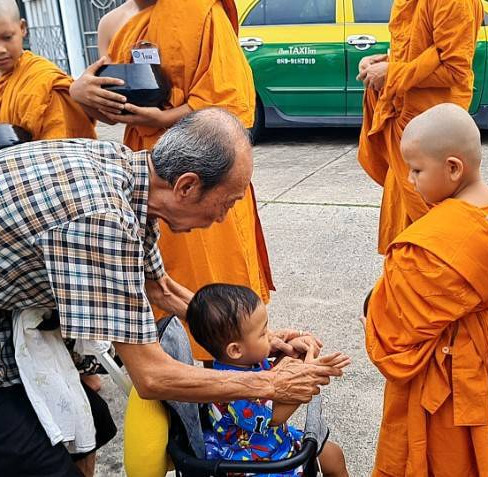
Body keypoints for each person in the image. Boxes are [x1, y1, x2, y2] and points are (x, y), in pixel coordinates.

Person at [0, 108, 340, 477]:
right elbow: (152, 376)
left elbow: (160, 288)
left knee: (93, 426)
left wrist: (252, 338)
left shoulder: (130, 177)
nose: (223, 218)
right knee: (43, 464)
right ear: (187, 186)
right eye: (227, 202)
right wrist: (271, 383)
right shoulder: (103, 218)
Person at [70, 0, 274, 362]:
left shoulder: (200, 11)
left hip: (203, 173)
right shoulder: (113, 23)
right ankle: (169, 364)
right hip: (145, 169)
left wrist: (164, 118)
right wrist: (80, 93)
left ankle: (233, 363)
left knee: (216, 282)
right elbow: (112, 96)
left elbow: (228, 108)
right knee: (149, 283)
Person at [362, 103, 488, 476]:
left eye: (416, 170)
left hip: (448, 387)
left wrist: (374, 313)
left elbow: (394, 331)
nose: (410, 180)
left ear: (453, 168)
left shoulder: (432, 243)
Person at [357, 0, 483, 254]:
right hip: (406, 129)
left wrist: (392, 73)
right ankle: (403, 272)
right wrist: (381, 63)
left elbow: (454, 69)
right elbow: (413, 53)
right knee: (404, 233)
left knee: (439, 236)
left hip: (434, 134)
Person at [187, 283, 350, 477]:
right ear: (236, 350)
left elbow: (277, 378)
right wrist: (309, 377)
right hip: (255, 462)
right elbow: (275, 417)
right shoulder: (229, 392)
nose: (271, 336)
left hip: (277, 442)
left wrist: (294, 352)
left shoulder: (248, 361)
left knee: (334, 456)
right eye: (263, 333)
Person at [0, 0, 95, 140]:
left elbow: (59, 148)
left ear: (22, 28)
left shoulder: (45, 84)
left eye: (7, 37)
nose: (1, 50)